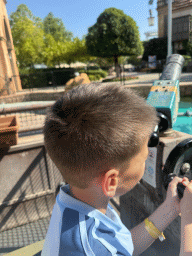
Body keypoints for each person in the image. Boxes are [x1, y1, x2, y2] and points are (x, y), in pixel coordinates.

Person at [41, 83, 192, 256]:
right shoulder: (90, 248)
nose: (145, 160)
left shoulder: (75, 200)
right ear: (111, 181)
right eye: (144, 158)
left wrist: (170, 208)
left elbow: (125, 247)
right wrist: (188, 221)